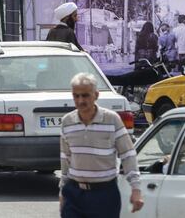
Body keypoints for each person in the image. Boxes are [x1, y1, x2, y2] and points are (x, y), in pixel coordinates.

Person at [59, 73, 143, 218]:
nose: (80, 100)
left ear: (96, 95)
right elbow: (65, 159)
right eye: (76, 96)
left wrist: (136, 189)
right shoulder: (67, 122)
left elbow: (128, 154)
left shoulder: (111, 120)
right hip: (74, 193)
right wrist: (62, 191)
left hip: (104, 194)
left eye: (85, 95)